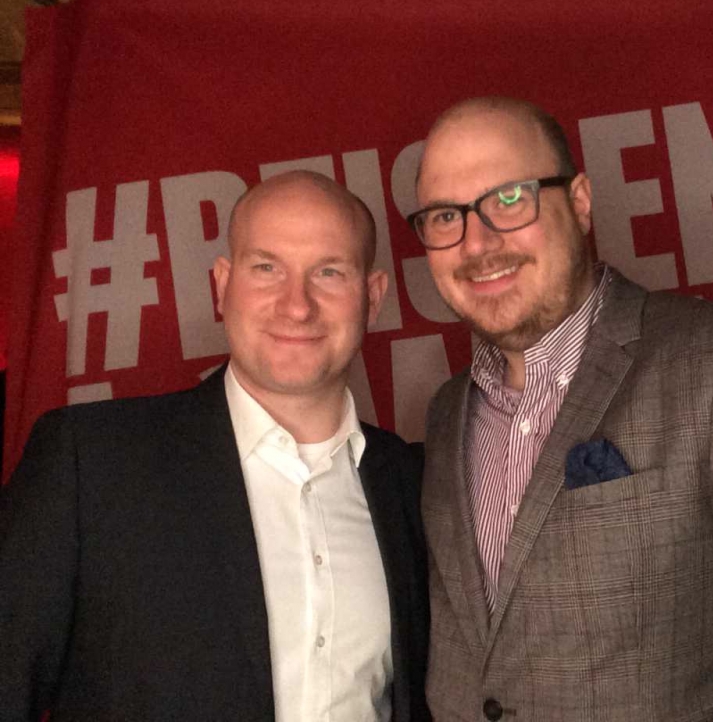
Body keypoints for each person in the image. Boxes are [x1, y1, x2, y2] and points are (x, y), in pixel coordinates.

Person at [410, 97, 713, 721]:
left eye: (510, 199)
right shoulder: (447, 411)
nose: (478, 242)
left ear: (580, 201)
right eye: (445, 215)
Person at [0, 171, 430, 722]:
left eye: (328, 272)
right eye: (266, 268)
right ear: (222, 285)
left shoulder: (412, 482)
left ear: (372, 297)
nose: (297, 305)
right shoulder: (89, 464)